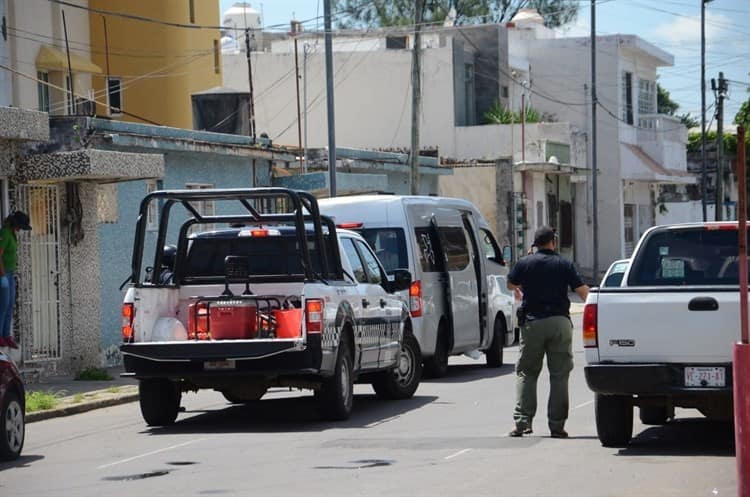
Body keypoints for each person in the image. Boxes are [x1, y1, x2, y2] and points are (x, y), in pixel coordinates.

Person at [506, 226, 589, 438]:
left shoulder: (525, 263)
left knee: (526, 372)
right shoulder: (564, 263)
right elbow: (583, 292)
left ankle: (522, 422)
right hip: (559, 323)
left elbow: (510, 284)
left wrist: (526, 273)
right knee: (560, 375)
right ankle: (557, 426)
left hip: (533, 324)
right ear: (553, 242)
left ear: (535, 244)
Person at [0, 211, 32, 349]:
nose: (20, 229)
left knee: (10, 305)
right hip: (3, 274)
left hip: (10, 274)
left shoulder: (12, 234)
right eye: (20, 226)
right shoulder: (5, 233)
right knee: (3, 305)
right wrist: (2, 276)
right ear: (15, 223)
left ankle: (6, 335)